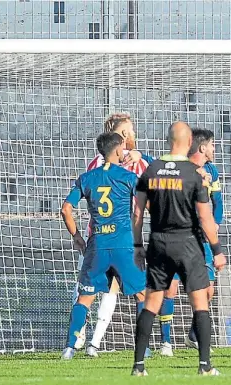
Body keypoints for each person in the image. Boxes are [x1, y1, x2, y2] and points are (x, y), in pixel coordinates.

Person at [130, 122, 226, 376]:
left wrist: (138, 245)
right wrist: (217, 250)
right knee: (200, 302)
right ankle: (204, 365)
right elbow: (206, 219)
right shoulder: (194, 174)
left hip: (159, 243)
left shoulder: (150, 171)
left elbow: (137, 212)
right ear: (189, 141)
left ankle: (139, 366)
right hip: (188, 244)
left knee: (152, 303)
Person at [60, 132, 146, 359]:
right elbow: (142, 207)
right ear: (118, 150)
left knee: (84, 298)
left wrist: (77, 236)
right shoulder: (128, 177)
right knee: (142, 295)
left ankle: (69, 349)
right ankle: (143, 349)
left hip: (96, 245)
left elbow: (65, 209)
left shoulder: (87, 178)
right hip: (123, 245)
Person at [182, 128, 224, 351]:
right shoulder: (180, 169)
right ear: (202, 147)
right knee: (168, 288)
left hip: (204, 237)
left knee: (208, 290)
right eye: (212, 144)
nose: (214, 148)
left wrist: (216, 223)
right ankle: (165, 342)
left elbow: (218, 200)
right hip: (180, 236)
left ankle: (192, 335)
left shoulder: (212, 171)